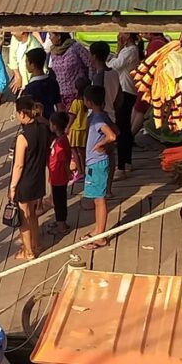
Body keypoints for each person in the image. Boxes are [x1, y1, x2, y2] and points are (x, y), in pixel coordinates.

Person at [10, 96, 52, 261]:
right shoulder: (43, 128)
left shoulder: (23, 137)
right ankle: (36, 243)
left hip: (25, 180)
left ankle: (28, 251)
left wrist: (13, 187)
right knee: (33, 213)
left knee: (23, 216)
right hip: (38, 176)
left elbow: (18, 165)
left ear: (22, 113)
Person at [80, 86, 117, 248]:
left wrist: (101, 144)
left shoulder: (98, 120)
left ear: (88, 101)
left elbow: (112, 135)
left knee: (99, 200)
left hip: (97, 162)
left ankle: (101, 236)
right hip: (98, 161)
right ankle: (97, 229)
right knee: (97, 198)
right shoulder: (102, 116)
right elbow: (117, 131)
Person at [108, 32, 141, 179]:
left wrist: (118, 48)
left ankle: (121, 166)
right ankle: (127, 162)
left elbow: (114, 65)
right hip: (125, 90)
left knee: (121, 127)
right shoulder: (126, 51)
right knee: (125, 128)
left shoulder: (131, 50)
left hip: (126, 90)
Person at [47, 31, 90, 111]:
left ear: (59, 36)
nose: (49, 38)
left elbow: (90, 63)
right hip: (61, 96)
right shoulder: (53, 52)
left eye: (50, 35)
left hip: (78, 94)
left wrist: (89, 83)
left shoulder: (75, 47)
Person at [46, 111, 73, 234]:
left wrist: (68, 173)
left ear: (55, 126)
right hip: (56, 176)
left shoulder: (61, 142)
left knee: (59, 201)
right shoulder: (60, 139)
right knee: (59, 200)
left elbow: (64, 161)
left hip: (59, 177)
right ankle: (60, 221)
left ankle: (61, 226)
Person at [21, 48, 62, 119]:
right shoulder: (53, 82)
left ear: (32, 65)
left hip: (38, 124)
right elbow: (59, 106)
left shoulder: (29, 89)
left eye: (26, 62)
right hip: (52, 120)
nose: (25, 64)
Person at [67, 80, 89, 182]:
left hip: (75, 129)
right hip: (84, 128)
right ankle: (85, 170)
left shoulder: (76, 102)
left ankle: (80, 172)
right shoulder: (86, 101)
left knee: (74, 150)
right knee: (83, 151)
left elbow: (72, 116)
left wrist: (67, 127)